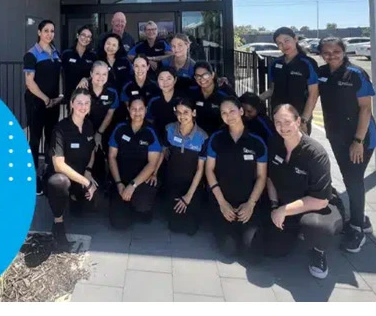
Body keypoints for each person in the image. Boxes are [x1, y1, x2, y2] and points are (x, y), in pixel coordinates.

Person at [262, 104, 343, 279]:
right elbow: (270, 179)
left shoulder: (315, 153)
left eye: (287, 122)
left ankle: (318, 250)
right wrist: (275, 206)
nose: (282, 127)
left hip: (316, 206)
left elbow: (320, 200)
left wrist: (283, 211)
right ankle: (295, 231)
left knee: (316, 226)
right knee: (272, 250)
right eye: (277, 122)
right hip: (287, 204)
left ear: (298, 121)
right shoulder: (275, 143)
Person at [317, 37, 376, 251]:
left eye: (336, 51)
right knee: (349, 177)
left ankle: (357, 227)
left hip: (360, 138)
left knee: (353, 180)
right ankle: (362, 220)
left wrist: (358, 141)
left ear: (344, 51)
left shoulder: (356, 74)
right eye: (326, 52)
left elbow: (365, 109)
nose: (331, 55)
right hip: (337, 136)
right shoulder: (322, 73)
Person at [205, 97, 268, 259]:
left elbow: (261, 176)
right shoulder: (217, 138)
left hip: (248, 202)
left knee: (252, 254)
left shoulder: (257, 142)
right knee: (229, 249)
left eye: (232, 111)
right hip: (223, 201)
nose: (229, 116)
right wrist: (222, 203)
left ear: (241, 111)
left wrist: (251, 204)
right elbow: (209, 170)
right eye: (224, 113)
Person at [45, 89, 99, 249]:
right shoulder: (61, 129)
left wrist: (88, 171)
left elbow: (92, 151)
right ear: (72, 104)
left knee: (87, 207)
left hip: (81, 175)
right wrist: (86, 182)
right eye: (79, 103)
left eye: (87, 103)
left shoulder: (89, 125)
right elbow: (59, 165)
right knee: (59, 182)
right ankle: (58, 223)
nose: (83, 106)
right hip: (63, 177)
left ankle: (75, 198)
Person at [149, 97, 209, 235]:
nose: (182, 116)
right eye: (179, 112)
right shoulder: (169, 129)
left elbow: (200, 169)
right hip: (172, 181)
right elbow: (163, 152)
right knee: (174, 225)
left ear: (193, 113)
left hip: (192, 183)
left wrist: (189, 196)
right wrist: (154, 173)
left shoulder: (203, 137)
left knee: (190, 228)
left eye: (186, 112)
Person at [108, 97, 161, 229]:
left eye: (140, 109)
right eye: (134, 109)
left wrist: (133, 185)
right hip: (121, 178)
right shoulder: (120, 127)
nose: (137, 112)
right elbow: (112, 156)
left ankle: (140, 207)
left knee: (142, 208)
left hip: (141, 180)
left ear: (146, 110)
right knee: (119, 224)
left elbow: (152, 164)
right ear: (128, 109)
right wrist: (119, 183)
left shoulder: (151, 131)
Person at [23, 19, 63, 195]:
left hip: (52, 104)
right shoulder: (31, 54)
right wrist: (45, 99)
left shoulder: (55, 52)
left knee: (50, 138)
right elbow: (29, 83)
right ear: (39, 32)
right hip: (36, 102)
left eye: (52, 31)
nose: (49, 34)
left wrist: (58, 97)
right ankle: (33, 177)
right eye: (46, 30)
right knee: (35, 139)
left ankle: (48, 172)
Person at [260, 26, 319, 135]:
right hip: (278, 116)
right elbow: (272, 90)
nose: (284, 45)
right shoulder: (275, 63)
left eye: (287, 40)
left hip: (298, 118)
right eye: (279, 43)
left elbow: (313, 94)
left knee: (298, 146)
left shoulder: (308, 63)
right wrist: (255, 100)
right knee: (278, 144)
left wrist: (304, 120)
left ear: (295, 39)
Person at [85, 61, 120, 187]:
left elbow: (110, 114)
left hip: (105, 130)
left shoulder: (112, 92)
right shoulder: (83, 89)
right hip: (85, 129)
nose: (101, 77)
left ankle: (105, 184)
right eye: (97, 73)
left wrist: (99, 133)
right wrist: (90, 135)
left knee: (102, 155)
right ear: (91, 74)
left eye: (104, 74)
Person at [188, 61, 237, 135]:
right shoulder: (192, 92)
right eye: (198, 76)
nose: (202, 79)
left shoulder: (225, 93)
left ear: (212, 75)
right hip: (197, 136)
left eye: (205, 75)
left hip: (220, 136)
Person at [146, 66, 185, 142]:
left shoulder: (182, 99)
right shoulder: (153, 100)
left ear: (175, 80)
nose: (165, 82)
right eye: (161, 79)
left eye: (169, 79)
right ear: (157, 81)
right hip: (158, 138)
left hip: (178, 139)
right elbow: (149, 120)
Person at [61, 25, 96, 104]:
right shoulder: (67, 54)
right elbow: (60, 75)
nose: (85, 38)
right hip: (70, 95)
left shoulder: (93, 56)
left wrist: (86, 79)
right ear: (78, 35)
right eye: (83, 35)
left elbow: (95, 74)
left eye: (89, 37)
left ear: (90, 40)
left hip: (87, 95)